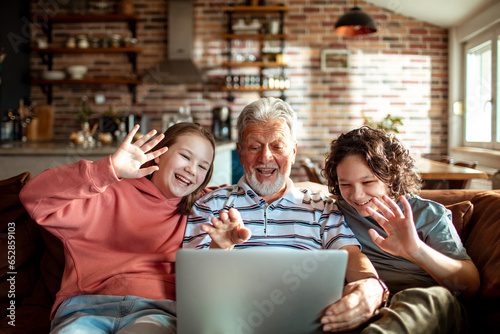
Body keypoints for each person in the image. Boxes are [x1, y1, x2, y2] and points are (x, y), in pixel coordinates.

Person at [183, 97, 386, 333]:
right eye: (254, 146)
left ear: (293, 151)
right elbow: (193, 286)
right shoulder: (210, 205)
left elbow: (352, 258)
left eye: (277, 146)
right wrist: (219, 250)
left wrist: (372, 288)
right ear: (240, 152)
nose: (265, 158)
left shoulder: (322, 207)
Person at [19, 122, 216, 333]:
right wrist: (108, 168)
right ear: (158, 154)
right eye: (185, 156)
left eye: (202, 166)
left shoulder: (203, 209)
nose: (191, 169)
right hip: (85, 311)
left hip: (156, 313)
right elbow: (33, 197)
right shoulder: (104, 191)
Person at [322, 126, 480, 333]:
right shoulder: (336, 213)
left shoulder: (428, 214)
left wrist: (415, 250)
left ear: (392, 177)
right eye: (345, 185)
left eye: (368, 182)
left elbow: (470, 286)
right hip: (369, 306)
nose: (357, 195)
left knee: (429, 298)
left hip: (427, 306)